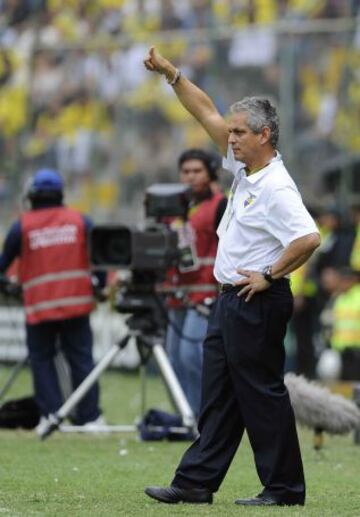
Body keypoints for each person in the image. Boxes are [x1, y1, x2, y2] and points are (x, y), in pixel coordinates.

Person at [142, 47, 320, 506]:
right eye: (232, 131)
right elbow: (205, 111)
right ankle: (196, 482)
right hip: (230, 299)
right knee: (218, 396)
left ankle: (283, 489)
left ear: (264, 135)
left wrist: (267, 274)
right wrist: (172, 74)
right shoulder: (246, 165)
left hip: (255, 297)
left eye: (240, 132)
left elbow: (308, 238)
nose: (230, 137)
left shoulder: (277, 187)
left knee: (261, 394)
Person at [0, 168, 104, 433]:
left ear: (31, 195)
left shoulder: (21, 225)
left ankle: (51, 416)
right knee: (81, 360)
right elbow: (101, 259)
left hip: (39, 308)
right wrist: (100, 285)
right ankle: (89, 417)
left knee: (42, 360)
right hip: (76, 304)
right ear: (61, 194)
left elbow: (3, 265)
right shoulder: (80, 221)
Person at [165, 148, 226, 417]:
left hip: (205, 294)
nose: (190, 177)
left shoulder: (220, 205)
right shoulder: (173, 208)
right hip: (177, 293)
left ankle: (205, 418)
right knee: (174, 357)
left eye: (197, 171)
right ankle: (186, 414)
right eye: (186, 171)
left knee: (193, 355)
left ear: (210, 173)